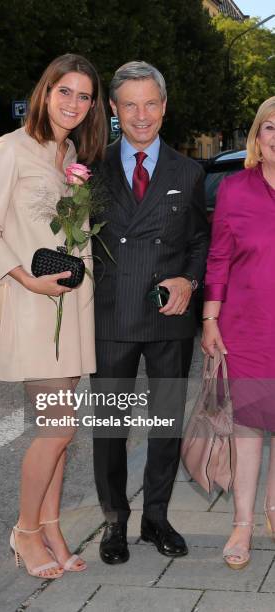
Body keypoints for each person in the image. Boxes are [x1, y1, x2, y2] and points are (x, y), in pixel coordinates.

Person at [0, 54, 107, 579]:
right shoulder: (10, 149)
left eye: (84, 95)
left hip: (72, 311)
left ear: (93, 106)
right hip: (33, 308)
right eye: (64, 91)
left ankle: (50, 526)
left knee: (62, 434)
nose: (73, 103)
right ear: (44, 92)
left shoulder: (71, 154)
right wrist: (24, 279)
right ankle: (25, 531)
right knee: (58, 428)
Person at [90, 61, 209, 564]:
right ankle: (114, 521)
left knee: (164, 422)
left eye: (151, 103)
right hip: (112, 314)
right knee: (111, 426)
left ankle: (156, 517)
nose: (142, 115)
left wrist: (189, 278)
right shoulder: (89, 166)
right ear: (114, 110)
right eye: (130, 105)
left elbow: (200, 240)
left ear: (164, 106)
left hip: (169, 313)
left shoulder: (189, 170)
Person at [202, 96, 275, 569]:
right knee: (248, 429)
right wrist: (209, 319)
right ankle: (243, 522)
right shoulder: (233, 189)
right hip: (247, 327)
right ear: (257, 136)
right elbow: (219, 259)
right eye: (271, 127)